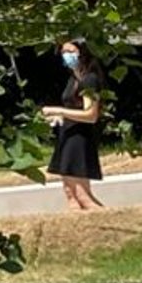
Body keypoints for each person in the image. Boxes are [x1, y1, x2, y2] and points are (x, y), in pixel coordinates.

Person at [37, 40, 108, 212]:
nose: (66, 55)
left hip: (79, 137)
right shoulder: (73, 80)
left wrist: (58, 110)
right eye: (63, 52)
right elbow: (72, 107)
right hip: (67, 134)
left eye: (70, 51)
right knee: (70, 194)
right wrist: (56, 117)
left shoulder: (89, 80)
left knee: (83, 195)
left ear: (83, 52)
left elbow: (91, 115)